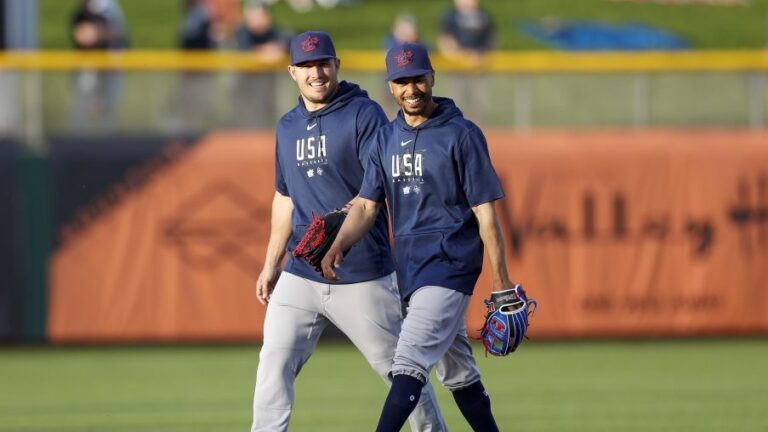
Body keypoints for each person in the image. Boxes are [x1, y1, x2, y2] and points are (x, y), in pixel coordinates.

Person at [251, 31, 447, 432]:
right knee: (273, 361)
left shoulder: (363, 115)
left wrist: (342, 223)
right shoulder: (287, 126)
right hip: (301, 272)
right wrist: (271, 262)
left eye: (322, 63)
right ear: (292, 73)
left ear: (337, 65)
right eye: (306, 66)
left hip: (362, 273)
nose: (316, 73)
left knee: (401, 374)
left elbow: (375, 191)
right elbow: (284, 198)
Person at [322, 42, 510, 432]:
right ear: (390, 86)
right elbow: (368, 207)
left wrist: (501, 281)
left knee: (406, 363)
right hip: (411, 270)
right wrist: (339, 244)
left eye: (418, 79)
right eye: (402, 80)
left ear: (432, 78)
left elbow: (485, 214)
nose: (412, 88)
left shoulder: (462, 134)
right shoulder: (384, 140)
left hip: (450, 264)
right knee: (459, 373)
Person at [70, 0, 129, 132]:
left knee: (108, 105)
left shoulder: (111, 10)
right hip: (87, 65)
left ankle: (107, 136)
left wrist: (99, 33)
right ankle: (78, 138)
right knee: (84, 104)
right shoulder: (80, 15)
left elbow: (120, 36)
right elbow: (84, 38)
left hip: (108, 65)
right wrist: (104, 33)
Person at [232, 1, 290, 128]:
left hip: (268, 89)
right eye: (253, 16)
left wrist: (268, 52)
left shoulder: (276, 32)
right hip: (245, 88)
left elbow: (286, 44)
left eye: (261, 15)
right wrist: (267, 52)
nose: (258, 20)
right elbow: (246, 52)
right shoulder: (242, 32)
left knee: (267, 119)